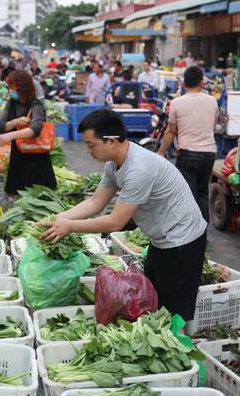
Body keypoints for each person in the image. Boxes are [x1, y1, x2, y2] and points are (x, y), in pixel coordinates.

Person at [40, 109, 207, 324]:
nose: (88, 151)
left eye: (91, 145)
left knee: (174, 315)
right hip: (162, 239)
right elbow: (95, 202)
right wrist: (58, 219)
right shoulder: (114, 163)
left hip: (183, 242)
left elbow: (115, 222)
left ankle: (183, 349)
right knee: (154, 304)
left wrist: (70, 226)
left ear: (111, 140)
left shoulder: (139, 169)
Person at [158, 66, 218, 222]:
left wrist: (161, 152)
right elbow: (211, 127)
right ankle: (203, 230)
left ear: (184, 84)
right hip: (209, 154)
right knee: (203, 193)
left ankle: (191, 234)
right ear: (202, 83)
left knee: (187, 195)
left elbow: (171, 131)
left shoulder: (177, 103)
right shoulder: (212, 101)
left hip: (187, 154)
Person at [0, 70, 57, 196]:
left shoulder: (36, 104)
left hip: (36, 158)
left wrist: (11, 135)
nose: (10, 90)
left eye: (12, 87)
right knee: (15, 195)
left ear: (22, 88)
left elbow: (35, 129)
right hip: (18, 157)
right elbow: (1, 127)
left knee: (38, 197)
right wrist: (16, 121)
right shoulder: (12, 103)